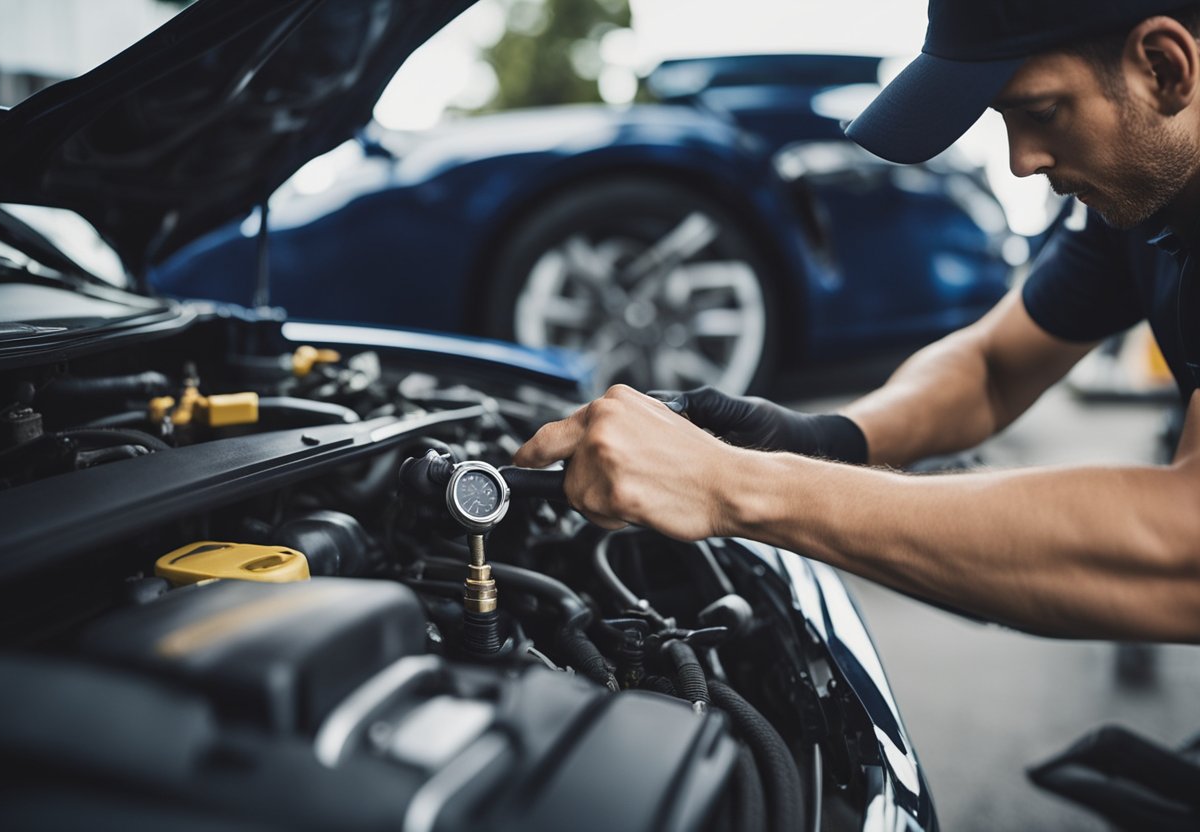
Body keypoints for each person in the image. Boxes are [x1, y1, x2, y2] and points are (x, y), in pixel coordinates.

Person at [514, 0, 1200, 643]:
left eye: (1043, 111)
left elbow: (1186, 546)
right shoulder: (1136, 212)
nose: (1023, 160)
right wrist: (829, 438)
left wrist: (731, 487)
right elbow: (994, 366)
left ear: (1164, 68)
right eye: (1005, 120)